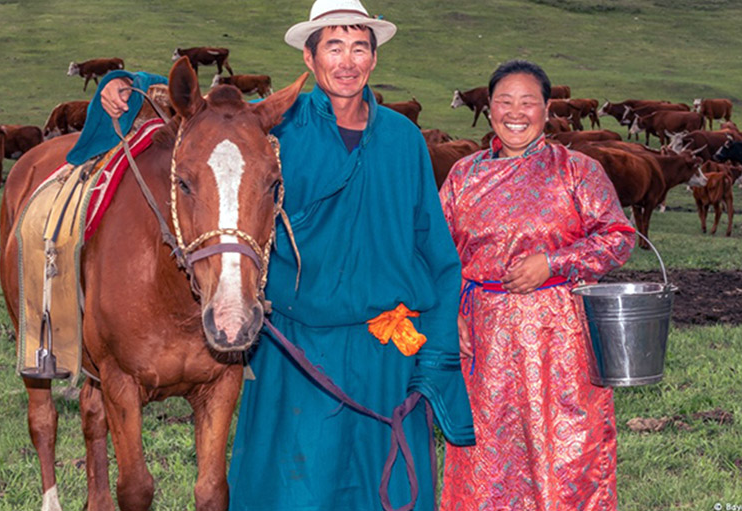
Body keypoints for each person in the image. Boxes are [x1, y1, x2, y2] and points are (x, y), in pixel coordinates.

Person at [78, 0, 475, 509]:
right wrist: (127, 83)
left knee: (385, 491)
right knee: (295, 492)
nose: (347, 60)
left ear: (374, 59)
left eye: (359, 47)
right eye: (333, 47)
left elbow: (436, 253)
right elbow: (203, 123)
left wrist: (437, 355)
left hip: (388, 351)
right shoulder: (272, 134)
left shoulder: (404, 141)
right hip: (299, 353)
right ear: (310, 60)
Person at [438, 59, 636, 511]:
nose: (516, 112)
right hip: (481, 337)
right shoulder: (462, 177)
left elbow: (618, 237)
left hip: (560, 340)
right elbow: (435, 255)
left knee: (564, 448)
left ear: (547, 110)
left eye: (528, 102)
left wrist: (554, 262)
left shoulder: (577, 170)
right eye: (504, 101)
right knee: (486, 450)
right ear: (489, 110)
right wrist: (449, 313)